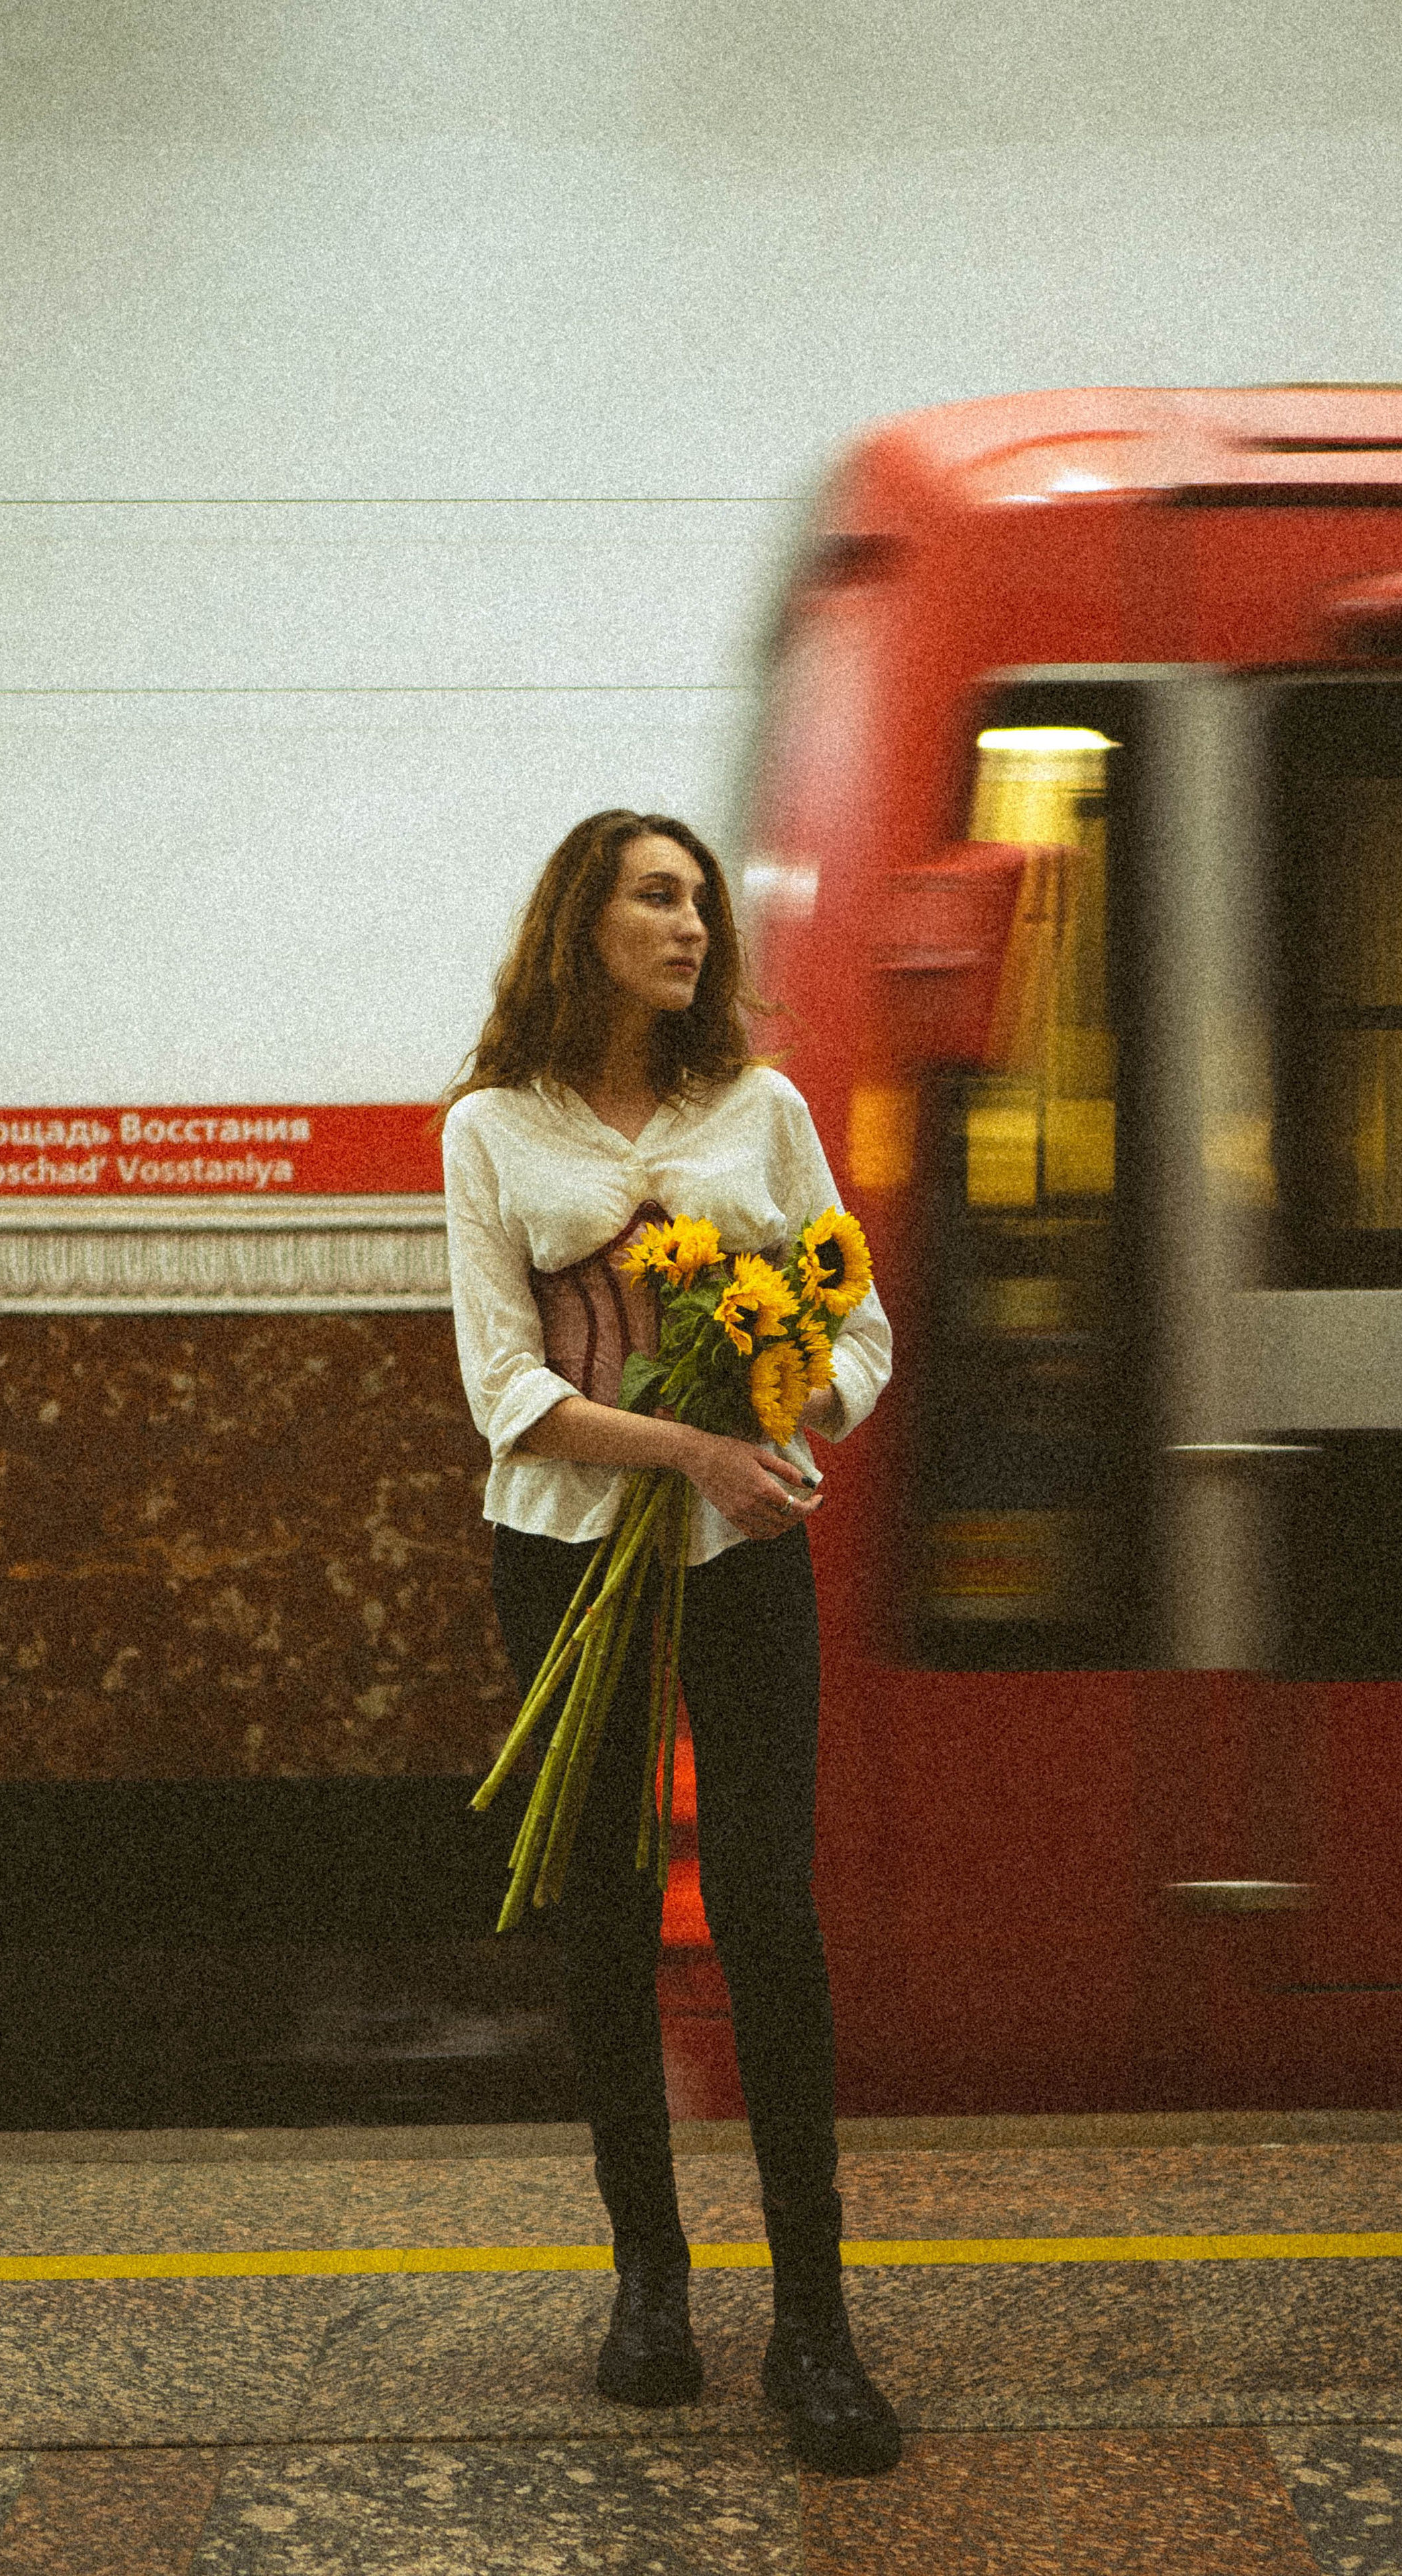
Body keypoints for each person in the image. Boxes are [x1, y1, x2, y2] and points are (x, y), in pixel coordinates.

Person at [439, 808, 900, 2476]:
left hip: (741, 1556)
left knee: (768, 1910)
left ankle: (812, 2320)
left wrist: (785, 1396)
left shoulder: (759, 1111)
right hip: (564, 1556)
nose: (691, 925)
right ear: (585, 924)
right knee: (607, 1914)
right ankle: (649, 2283)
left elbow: (859, 1328)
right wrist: (690, 1446)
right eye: (655, 897)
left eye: (699, 900)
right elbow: (506, 1392)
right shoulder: (491, 1128)